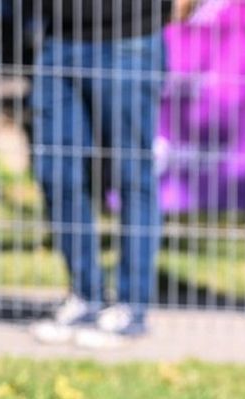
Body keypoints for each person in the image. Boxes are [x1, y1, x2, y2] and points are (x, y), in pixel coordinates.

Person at [29, 0, 196, 348]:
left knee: (132, 174)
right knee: (56, 172)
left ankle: (130, 307)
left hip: (130, 34)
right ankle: (85, 296)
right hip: (57, 33)